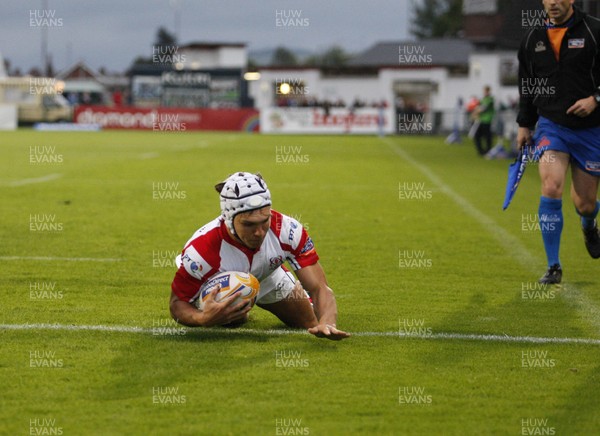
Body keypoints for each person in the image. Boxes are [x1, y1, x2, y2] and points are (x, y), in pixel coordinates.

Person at [169, 172, 350, 340]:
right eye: (248, 224)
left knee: (310, 321)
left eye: (265, 221)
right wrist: (202, 318)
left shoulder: (289, 231)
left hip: (266, 274)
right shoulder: (202, 251)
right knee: (229, 321)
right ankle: (237, 314)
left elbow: (319, 287)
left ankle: (243, 307)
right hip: (216, 280)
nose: (259, 232)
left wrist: (327, 321)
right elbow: (177, 303)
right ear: (228, 219)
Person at [516, 0, 600, 284]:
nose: (552, 2)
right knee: (551, 185)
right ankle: (554, 266)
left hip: (590, 129)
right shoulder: (531, 38)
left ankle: (589, 225)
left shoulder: (593, 31)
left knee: (585, 203)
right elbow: (526, 84)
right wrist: (524, 124)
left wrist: (595, 100)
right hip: (552, 125)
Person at [474, 86, 495, 156]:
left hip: (487, 120)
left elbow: (483, 108)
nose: (485, 92)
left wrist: (477, 111)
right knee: (477, 135)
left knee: (487, 136)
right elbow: (477, 107)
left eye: (486, 91)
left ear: (489, 91)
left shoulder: (490, 99)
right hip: (481, 120)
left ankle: (488, 150)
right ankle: (482, 151)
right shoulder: (483, 99)